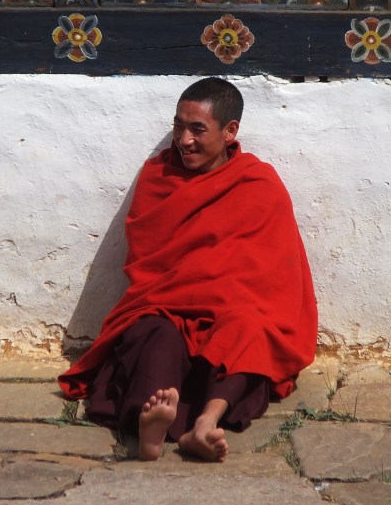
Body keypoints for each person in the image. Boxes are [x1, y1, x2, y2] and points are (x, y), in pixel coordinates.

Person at [58, 78, 317, 462]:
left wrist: (224, 299)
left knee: (248, 328)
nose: (184, 140)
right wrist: (184, 297)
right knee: (155, 332)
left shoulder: (257, 183)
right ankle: (150, 424)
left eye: (198, 129)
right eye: (178, 126)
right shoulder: (158, 177)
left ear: (230, 131)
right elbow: (147, 261)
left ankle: (205, 425)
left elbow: (274, 275)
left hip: (230, 310)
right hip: (168, 303)